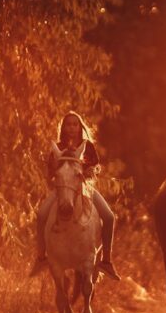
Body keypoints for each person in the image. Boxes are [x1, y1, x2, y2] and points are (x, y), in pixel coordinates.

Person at [30, 112, 121, 280]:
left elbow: (94, 167)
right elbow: (50, 172)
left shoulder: (88, 147)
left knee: (109, 217)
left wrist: (89, 172)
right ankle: (41, 257)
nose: (71, 128)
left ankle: (106, 261)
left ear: (80, 127)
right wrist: (57, 177)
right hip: (62, 190)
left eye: (75, 124)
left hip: (84, 189)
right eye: (68, 125)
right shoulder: (58, 147)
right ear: (63, 128)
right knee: (42, 215)